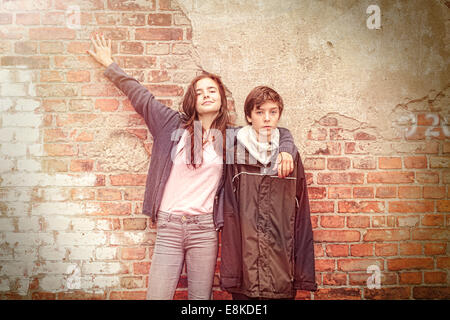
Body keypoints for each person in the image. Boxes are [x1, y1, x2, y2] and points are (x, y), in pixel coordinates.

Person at [87, 34, 298, 300]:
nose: (206, 95)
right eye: (199, 92)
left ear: (221, 98)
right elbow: (140, 96)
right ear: (192, 100)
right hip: (169, 227)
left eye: (212, 90)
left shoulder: (234, 137)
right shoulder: (171, 125)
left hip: (205, 230)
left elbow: (277, 132)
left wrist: (287, 150)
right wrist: (110, 66)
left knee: (200, 301)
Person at [220, 86, 317, 300]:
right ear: (248, 115)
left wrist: (301, 274)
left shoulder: (289, 156)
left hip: (281, 269)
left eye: (273, 112)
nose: (267, 118)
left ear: (279, 115)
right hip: (246, 269)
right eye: (259, 111)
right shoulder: (234, 156)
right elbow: (229, 211)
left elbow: (301, 214)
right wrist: (233, 272)